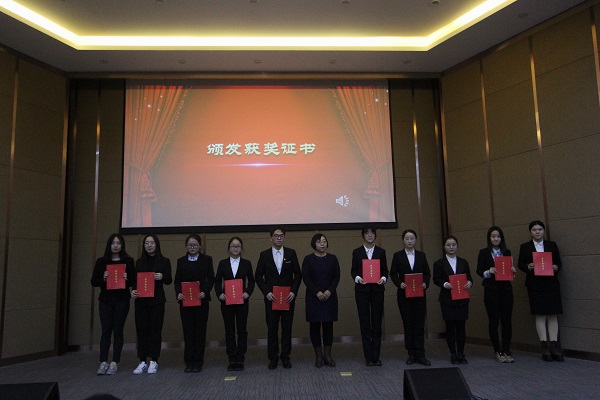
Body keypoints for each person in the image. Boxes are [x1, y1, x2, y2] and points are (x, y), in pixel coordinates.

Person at [255, 227, 302, 369]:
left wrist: (293, 292)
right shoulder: (264, 255)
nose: (279, 238)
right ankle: (273, 357)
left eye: (281, 235)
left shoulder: (291, 253)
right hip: (271, 298)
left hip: (288, 298)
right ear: (270, 238)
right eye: (276, 235)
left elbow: (298, 275)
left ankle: (285, 357)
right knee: (272, 328)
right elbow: (258, 276)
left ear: (284, 237)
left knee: (287, 328)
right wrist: (266, 292)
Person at [517, 220, 564, 362]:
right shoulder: (525, 247)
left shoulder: (552, 245)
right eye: (534, 230)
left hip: (551, 284)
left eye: (540, 229)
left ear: (543, 231)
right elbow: (520, 264)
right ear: (530, 232)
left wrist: (556, 267)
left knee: (553, 314)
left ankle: (554, 347)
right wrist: (528, 266)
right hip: (535, 285)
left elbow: (559, 263)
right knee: (540, 314)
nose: (537, 232)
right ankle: (544, 347)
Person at [90, 234, 136, 375]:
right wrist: (103, 278)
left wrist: (127, 278)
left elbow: (134, 281)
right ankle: (103, 361)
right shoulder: (101, 261)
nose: (115, 246)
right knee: (105, 331)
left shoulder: (128, 261)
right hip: (105, 300)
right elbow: (94, 281)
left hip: (122, 300)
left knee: (118, 331)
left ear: (122, 245)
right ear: (109, 245)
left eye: (118, 243)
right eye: (113, 243)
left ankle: (115, 362)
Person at [131, 234, 172, 374]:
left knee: (155, 330)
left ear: (156, 245)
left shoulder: (164, 261)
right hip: (141, 302)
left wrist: (162, 276)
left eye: (152, 243)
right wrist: (133, 291)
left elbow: (169, 280)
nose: (149, 245)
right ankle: (142, 360)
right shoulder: (139, 262)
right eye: (146, 243)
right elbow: (135, 281)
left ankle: (154, 360)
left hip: (157, 301)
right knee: (141, 330)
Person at [390, 229, 431, 366]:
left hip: (419, 295)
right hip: (404, 295)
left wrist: (425, 283)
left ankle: (421, 354)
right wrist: (399, 283)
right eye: (407, 238)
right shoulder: (398, 256)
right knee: (408, 324)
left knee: (419, 324)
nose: (409, 241)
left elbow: (427, 273)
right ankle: (411, 354)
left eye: (412, 238)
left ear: (415, 240)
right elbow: (393, 273)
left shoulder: (421, 255)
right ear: (403, 240)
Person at [174, 234, 215, 373]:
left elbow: (211, 278)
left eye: (195, 245)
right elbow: (177, 280)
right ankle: (188, 361)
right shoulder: (181, 261)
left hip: (201, 301)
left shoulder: (207, 260)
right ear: (186, 246)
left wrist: (205, 291)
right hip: (185, 302)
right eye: (190, 245)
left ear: (200, 246)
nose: (192, 247)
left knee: (200, 332)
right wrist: (178, 293)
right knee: (188, 332)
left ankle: (198, 361)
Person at [214, 237, 254, 371]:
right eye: (233, 246)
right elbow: (217, 281)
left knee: (242, 330)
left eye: (238, 246)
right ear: (229, 248)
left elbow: (252, 281)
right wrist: (219, 294)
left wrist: (248, 292)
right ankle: (231, 358)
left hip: (242, 302)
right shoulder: (222, 263)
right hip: (227, 302)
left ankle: (240, 357)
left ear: (241, 248)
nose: (235, 248)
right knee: (229, 330)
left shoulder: (247, 263)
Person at [476, 226, 516, 363]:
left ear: (501, 238)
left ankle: (506, 350)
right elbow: (479, 270)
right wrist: (488, 271)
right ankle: (497, 350)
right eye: (493, 236)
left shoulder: (507, 251)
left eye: (498, 236)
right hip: (491, 289)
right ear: (489, 238)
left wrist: (512, 271)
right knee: (494, 321)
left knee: (507, 320)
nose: (496, 239)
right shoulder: (484, 252)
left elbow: (509, 271)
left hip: (506, 289)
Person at [351, 226, 389, 366]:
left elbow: (385, 270)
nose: (370, 235)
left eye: (372, 233)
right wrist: (358, 279)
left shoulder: (381, 252)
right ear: (363, 236)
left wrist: (383, 279)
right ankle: (368, 357)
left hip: (377, 291)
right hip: (362, 291)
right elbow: (353, 271)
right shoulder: (357, 252)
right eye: (367, 233)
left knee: (377, 323)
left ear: (375, 236)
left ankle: (376, 356)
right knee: (365, 323)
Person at [302, 233, 340, 368]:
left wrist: (329, 291)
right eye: (319, 241)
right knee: (315, 327)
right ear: (314, 244)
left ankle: (327, 355)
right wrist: (317, 292)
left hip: (330, 296)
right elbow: (306, 278)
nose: (322, 243)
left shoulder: (333, 258)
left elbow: (337, 277)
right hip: (314, 297)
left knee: (328, 326)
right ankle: (318, 356)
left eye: (324, 241)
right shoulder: (308, 259)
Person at [433, 235, 473, 365]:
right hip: (447, 299)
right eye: (448, 245)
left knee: (461, 327)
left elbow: (469, 278)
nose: (451, 247)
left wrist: (469, 283)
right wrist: (445, 284)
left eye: (453, 245)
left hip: (462, 299)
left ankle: (461, 353)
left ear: (457, 246)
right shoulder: (439, 263)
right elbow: (436, 279)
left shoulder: (463, 262)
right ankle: (453, 354)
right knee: (450, 327)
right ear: (444, 247)